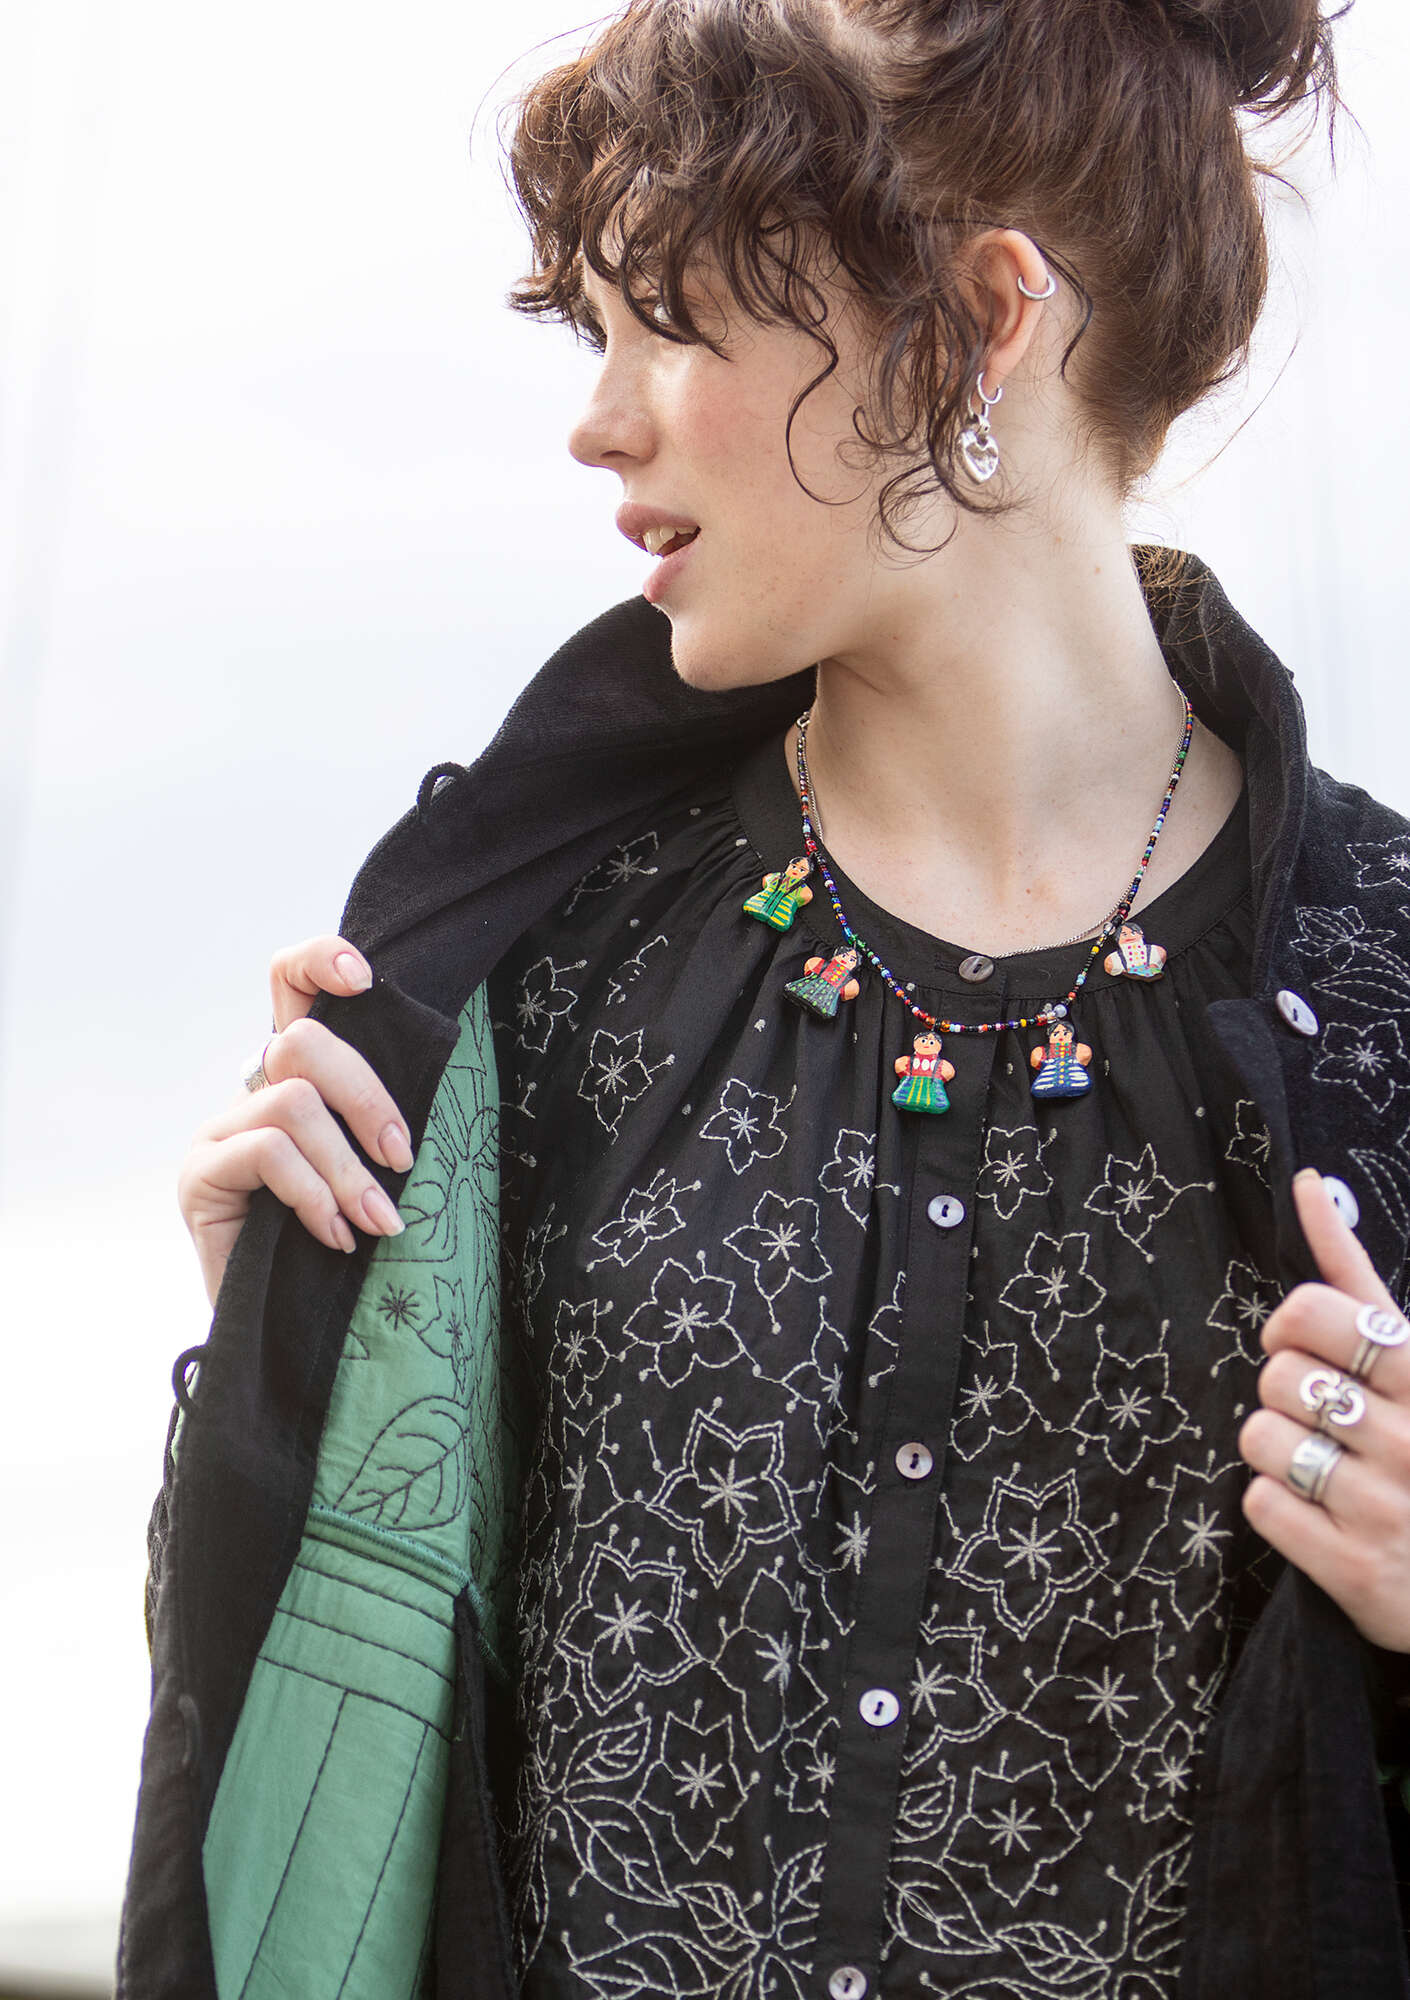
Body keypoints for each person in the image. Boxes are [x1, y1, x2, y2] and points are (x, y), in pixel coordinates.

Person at [122, 1, 1410, 1996]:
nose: (598, 421)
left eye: (674, 322)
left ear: (980, 320)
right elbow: (330, 1792)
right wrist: (298, 1369)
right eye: (593, 331)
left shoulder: (1381, 988)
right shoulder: (531, 963)